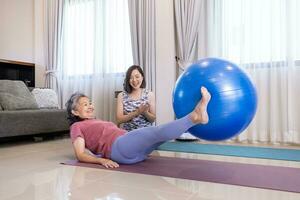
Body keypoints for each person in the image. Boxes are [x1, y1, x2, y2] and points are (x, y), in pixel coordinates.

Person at [66, 87, 211, 168]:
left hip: (135, 153)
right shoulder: (77, 126)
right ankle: (195, 117)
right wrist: (101, 160)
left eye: (90, 103)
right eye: (85, 104)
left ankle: (196, 117)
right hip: (119, 149)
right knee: (156, 131)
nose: (90, 106)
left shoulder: (95, 121)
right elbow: (80, 154)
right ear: (75, 112)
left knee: (161, 135)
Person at [116, 65, 155, 131]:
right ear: (128, 80)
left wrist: (145, 112)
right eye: (131, 78)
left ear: (142, 77)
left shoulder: (149, 94)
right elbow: (119, 120)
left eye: (137, 77)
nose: (134, 80)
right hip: (129, 135)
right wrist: (136, 112)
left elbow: (153, 119)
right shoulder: (121, 95)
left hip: (146, 134)